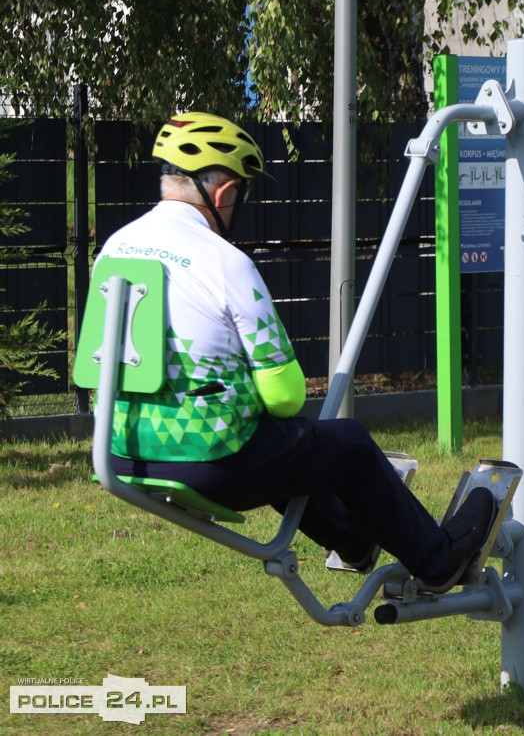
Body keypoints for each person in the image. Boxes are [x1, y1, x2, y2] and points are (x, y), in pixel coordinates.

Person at [98, 111, 497, 593]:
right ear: (225, 193)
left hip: (121, 454)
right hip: (210, 464)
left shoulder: (115, 248)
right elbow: (286, 395)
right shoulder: (225, 262)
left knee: (283, 445)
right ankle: (438, 560)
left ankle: (354, 540)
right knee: (347, 443)